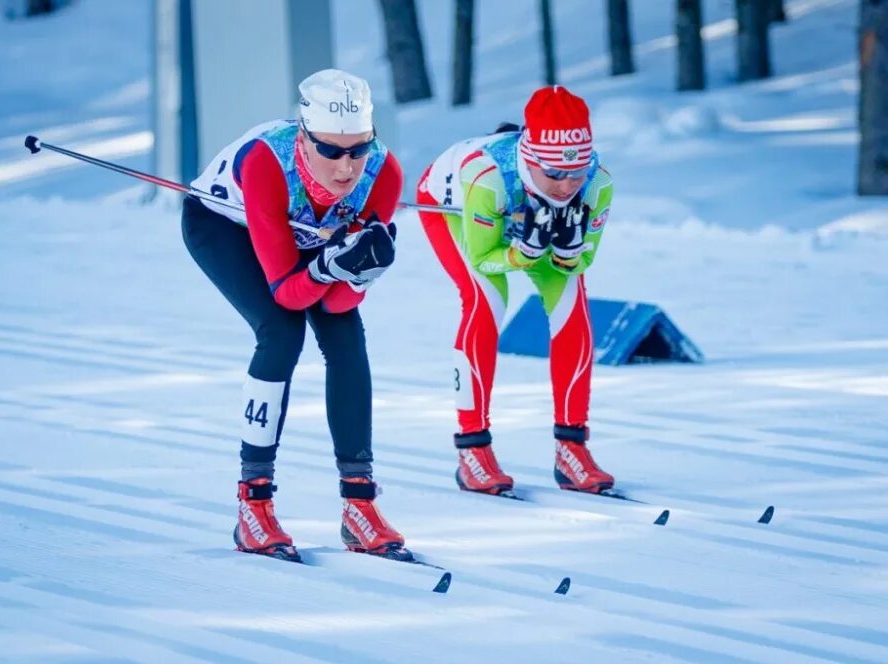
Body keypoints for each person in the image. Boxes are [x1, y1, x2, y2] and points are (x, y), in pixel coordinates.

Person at [182, 69, 411, 561]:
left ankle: (360, 505)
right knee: (281, 333)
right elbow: (288, 294)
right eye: (330, 150)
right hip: (227, 227)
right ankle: (253, 505)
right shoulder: (268, 162)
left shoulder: (384, 175)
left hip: (311, 236)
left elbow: (334, 304)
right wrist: (332, 265)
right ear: (304, 140)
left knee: (347, 338)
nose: (346, 167)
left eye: (358, 149)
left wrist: (355, 276)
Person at [415, 85, 616, 497]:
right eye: (555, 174)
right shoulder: (486, 177)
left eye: (576, 173)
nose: (566, 187)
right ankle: (473, 448)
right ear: (531, 160)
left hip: (516, 220)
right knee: (486, 299)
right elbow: (486, 257)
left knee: (571, 303)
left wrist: (567, 253)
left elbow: (583, 262)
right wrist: (524, 253)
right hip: (450, 204)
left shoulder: (598, 184)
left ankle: (572, 446)